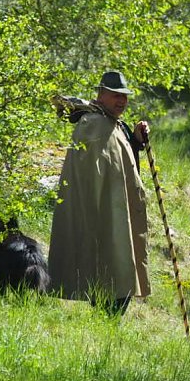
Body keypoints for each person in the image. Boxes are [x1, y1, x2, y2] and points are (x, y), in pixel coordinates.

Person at [48, 71, 151, 315]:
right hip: (103, 211)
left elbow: (118, 160)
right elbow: (93, 174)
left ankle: (109, 318)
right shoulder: (93, 124)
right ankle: (106, 317)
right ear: (101, 94)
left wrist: (135, 140)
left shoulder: (112, 123)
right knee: (110, 264)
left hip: (116, 208)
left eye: (124, 96)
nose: (121, 101)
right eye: (116, 95)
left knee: (120, 264)